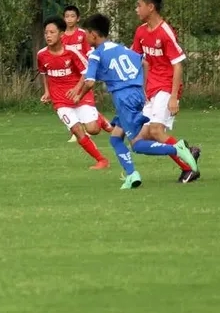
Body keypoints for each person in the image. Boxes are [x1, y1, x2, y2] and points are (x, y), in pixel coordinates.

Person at [73, 13, 197, 189]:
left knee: (137, 145)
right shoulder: (120, 48)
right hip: (137, 95)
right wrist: (142, 88)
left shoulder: (95, 54)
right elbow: (145, 63)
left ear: (93, 34)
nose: (85, 37)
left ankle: (177, 149)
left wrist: (79, 96)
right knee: (116, 138)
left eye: (86, 33)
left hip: (124, 100)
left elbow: (90, 82)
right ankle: (132, 175)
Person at [132, 0, 201, 183]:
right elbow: (137, 60)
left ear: (151, 7)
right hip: (151, 89)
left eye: (139, 5)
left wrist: (173, 97)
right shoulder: (141, 32)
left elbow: (177, 65)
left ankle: (189, 168)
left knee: (156, 131)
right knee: (139, 139)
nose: (136, 9)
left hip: (166, 87)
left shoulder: (165, 32)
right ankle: (187, 150)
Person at [37, 16, 110, 170]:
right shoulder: (41, 55)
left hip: (80, 96)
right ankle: (101, 160)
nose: (48, 36)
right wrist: (47, 92)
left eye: (52, 32)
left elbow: (87, 71)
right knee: (77, 130)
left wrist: (77, 88)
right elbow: (45, 73)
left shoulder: (72, 52)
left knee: (93, 130)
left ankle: (100, 119)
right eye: (46, 33)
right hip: (60, 100)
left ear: (61, 34)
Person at [61, 5, 111, 143]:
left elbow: (90, 53)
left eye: (72, 16)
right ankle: (77, 130)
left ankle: (97, 120)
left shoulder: (83, 34)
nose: (69, 19)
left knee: (81, 100)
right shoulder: (61, 36)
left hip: (83, 73)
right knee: (69, 101)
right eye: (67, 16)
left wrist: (91, 69)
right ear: (63, 18)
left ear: (78, 18)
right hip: (68, 75)